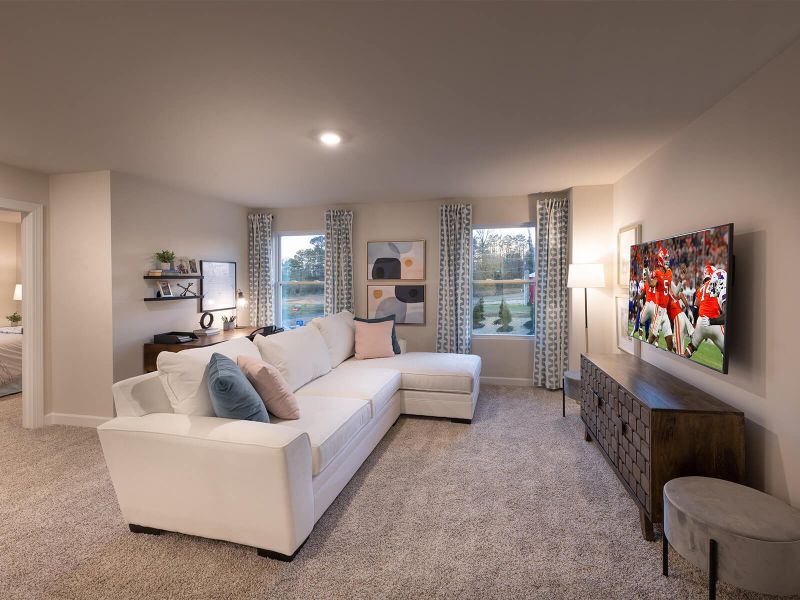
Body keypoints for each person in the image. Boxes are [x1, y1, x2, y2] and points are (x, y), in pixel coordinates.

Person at [685, 264, 725, 357]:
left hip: (701, 322)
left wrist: (694, 324)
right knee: (727, 350)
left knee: (691, 347)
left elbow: (695, 309)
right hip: (715, 323)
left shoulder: (701, 288)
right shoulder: (719, 285)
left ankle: (680, 360)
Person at [648, 247, 674, 351]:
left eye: (668, 257)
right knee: (653, 336)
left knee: (669, 340)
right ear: (661, 259)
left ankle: (672, 359)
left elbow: (672, 290)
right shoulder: (657, 273)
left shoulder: (669, 272)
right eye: (666, 257)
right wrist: (646, 272)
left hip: (665, 312)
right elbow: (652, 284)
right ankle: (643, 348)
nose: (667, 260)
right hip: (658, 309)